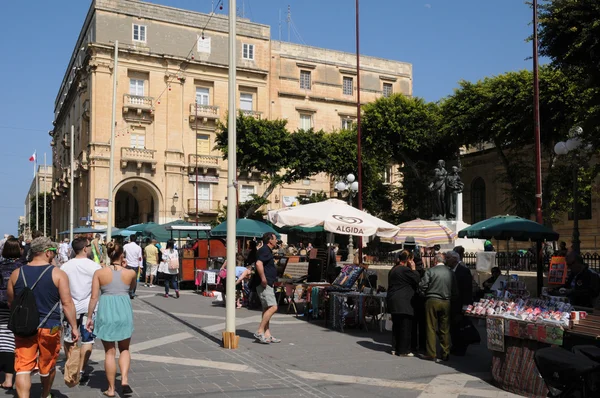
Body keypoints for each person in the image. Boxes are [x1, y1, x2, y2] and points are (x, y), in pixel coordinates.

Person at [7, 237, 79, 398]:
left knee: (23, 367)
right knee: (47, 365)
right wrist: (74, 327)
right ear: (48, 252)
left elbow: (11, 301)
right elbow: (67, 304)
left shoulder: (16, 273)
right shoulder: (58, 274)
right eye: (53, 252)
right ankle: (45, 394)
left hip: (24, 327)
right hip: (50, 326)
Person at [86, 242, 135, 397]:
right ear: (122, 256)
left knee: (109, 352)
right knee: (125, 348)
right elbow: (132, 288)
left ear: (108, 255)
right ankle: (125, 380)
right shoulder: (130, 273)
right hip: (123, 310)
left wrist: (89, 317)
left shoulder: (99, 273)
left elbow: (94, 297)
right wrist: (125, 267)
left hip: (106, 310)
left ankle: (111, 389)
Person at [60, 237, 102, 383]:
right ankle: (82, 369)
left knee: (68, 338)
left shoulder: (65, 266)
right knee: (87, 340)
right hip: (88, 309)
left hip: (69, 308)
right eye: (89, 246)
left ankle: (71, 367)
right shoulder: (95, 267)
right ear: (85, 248)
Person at [418, 252, 458, 363]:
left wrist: (423, 294)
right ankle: (445, 352)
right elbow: (455, 290)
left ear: (435, 261)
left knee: (430, 327)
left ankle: (431, 352)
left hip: (432, 300)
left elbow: (422, 285)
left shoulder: (430, 271)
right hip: (446, 301)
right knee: (444, 328)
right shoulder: (450, 272)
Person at [0, 238, 24, 390]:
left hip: (0, 305)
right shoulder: (23, 267)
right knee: (12, 338)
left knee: (1, 335)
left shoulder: (0, 266)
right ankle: (9, 379)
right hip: (18, 306)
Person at [386, 250, 420, 357]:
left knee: (396, 325)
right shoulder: (405, 270)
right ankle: (403, 350)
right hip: (404, 301)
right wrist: (414, 269)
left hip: (393, 300)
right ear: (408, 260)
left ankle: (394, 348)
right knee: (405, 326)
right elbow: (417, 279)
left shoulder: (394, 269)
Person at [254, 232, 280, 344]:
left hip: (267, 283)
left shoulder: (266, 250)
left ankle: (267, 334)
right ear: (270, 240)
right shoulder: (265, 250)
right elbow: (259, 264)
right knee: (273, 307)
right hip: (265, 284)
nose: (277, 241)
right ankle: (259, 331)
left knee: (266, 308)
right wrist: (263, 278)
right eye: (275, 239)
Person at [446, 250, 474, 356]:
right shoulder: (450, 270)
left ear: (454, 259)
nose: (446, 260)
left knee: (460, 325)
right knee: (453, 326)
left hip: (460, 303)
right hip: (452, 303)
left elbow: (467, 289)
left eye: (448, 258)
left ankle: (461, 347)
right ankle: (455, 345)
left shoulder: (463, 271)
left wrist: (465, 305)